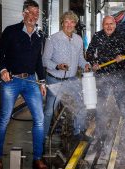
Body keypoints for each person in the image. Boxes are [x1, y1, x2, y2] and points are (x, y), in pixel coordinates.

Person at [0, 1, 47, 169]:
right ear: (23, 14)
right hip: (12, 82)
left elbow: (38, 61)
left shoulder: (39, 36)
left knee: (39, 119)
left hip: (31, 81)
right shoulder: (11, 31)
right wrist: (2, 70)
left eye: (36, 13)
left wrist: (42, 81)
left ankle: (38, 158)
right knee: (4, 119)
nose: (34, 16)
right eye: (30, 12)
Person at [42, 11, 90, 140]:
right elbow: (45, 60)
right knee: (49, 112)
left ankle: (77, 132)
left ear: (75, 24)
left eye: (72, 22)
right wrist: (57, 66)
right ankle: (43, 137)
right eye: (66, 21)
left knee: (80, 106)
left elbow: (80, 58)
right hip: (55, 80)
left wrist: (85, 64)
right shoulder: (52, 39)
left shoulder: (78, 40)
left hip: (72, 79)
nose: (69, 24)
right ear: (62, 23)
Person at [85, 16, 125, 140]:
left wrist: (123, 56)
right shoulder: (97, 36)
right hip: (102, 75)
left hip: (118, 75)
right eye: (106, 24)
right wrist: (94, 63)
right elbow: (89, 53)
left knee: (123, 104)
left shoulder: (122, 36)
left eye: (111, 24)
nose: (109, 26)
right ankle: (100, 132)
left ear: (115, 24)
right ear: (102, 24)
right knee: (100, 104)